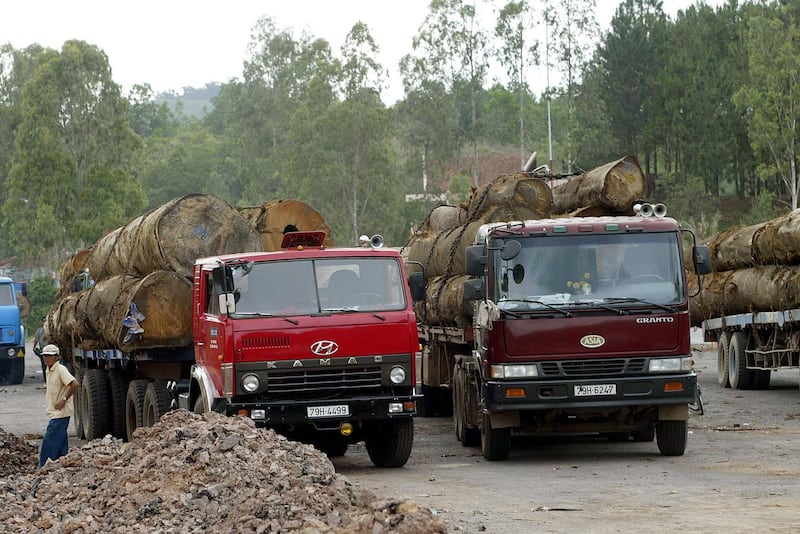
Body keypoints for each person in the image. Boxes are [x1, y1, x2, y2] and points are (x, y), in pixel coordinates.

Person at [39, 344, 78, 468]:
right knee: (61, 443)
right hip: (54, 413)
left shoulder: (60, 369)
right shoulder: (49, 369)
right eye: (45, 356)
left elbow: (75, 384)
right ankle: (62, 466)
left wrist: (64, 399)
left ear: (57, 357)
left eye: (50, 356)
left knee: (49, 441)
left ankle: (44, 467)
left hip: (61, 413)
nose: (47, 358)